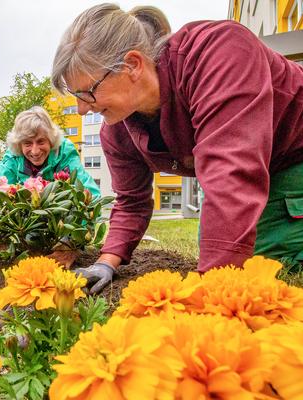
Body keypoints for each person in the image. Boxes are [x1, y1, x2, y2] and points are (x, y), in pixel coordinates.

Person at [51, 4, 303, 294]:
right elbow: (132, 201)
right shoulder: (117, 128)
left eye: (87, 93)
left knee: (261, 269)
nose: (82, 110)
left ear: (132, 65)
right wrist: (105, 263)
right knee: (219, 247)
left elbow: (231, 175)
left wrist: (207, 301)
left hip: (292, 157)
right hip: (238, 176)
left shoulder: (219, 51)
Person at [0, 106, 100, 198]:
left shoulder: (64, 152)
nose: (35, 151)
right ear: (18, 144)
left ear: (51, 140)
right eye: (27, 143)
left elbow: (90, 195)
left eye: (41, 142)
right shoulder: (12, 158)